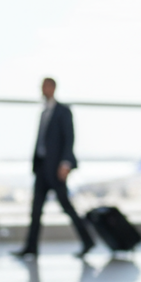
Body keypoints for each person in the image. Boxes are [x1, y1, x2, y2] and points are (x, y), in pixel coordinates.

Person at [14, 77, 94, 259]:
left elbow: (69, 139)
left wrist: (65, 163)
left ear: (54, 88)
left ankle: (88, 240)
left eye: (47, 86)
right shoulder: (43, 112)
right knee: (35, 210)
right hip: (42, 168)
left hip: (57, 170)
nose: (44, 89)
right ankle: (31, 247)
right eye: (42, 86)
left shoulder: (63, 111)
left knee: (67, 207)